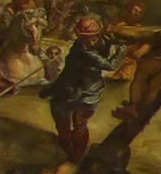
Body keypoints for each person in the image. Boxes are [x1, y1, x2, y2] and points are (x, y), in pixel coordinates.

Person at [38, 17, 123, 163]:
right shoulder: (81, 49)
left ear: (99, 34)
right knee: (63, 125)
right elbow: (109, 65)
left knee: (80, 122)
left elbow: (110, 64)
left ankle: (76, 156)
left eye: (92, 38)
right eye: (84, 38)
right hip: (70, 89)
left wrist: (121, 43)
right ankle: (70, 151)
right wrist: (122, 48)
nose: (89, 41)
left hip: (88, 91)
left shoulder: (101, 41)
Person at [105, 0, 149, 81]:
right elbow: (108, 31)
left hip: (129, 53)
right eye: (135, 10)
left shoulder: (138, 27)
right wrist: (118, 29)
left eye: (139, 12)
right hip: (114, 49)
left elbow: (146, 41)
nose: (137, 14)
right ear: (129, 10)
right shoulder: (117, 22)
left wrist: (141, 50)